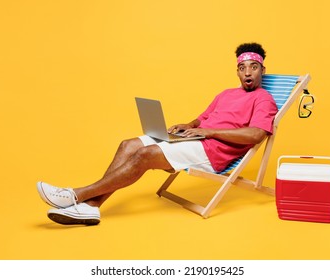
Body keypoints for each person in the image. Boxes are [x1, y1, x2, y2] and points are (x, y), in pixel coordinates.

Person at [37, 42, 278, 226]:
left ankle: (75, 195)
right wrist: (188, 125)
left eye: (253, 67)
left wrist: (207, 131)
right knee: (128, 144)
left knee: (145, 154)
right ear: (237, 71)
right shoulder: (226, 93)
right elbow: (202, 118)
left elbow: (256, 135)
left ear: (262, 70)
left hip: (213, 153)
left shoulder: (263, 99)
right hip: (195, 140)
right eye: (242, 67)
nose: (248, 72)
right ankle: (92, 207)